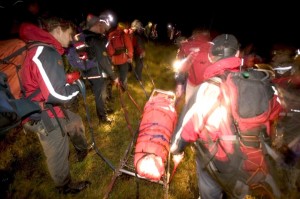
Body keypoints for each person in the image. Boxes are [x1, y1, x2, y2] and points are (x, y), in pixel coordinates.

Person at [170, 34, 282, 198]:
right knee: (238, 191)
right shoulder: (261, 83)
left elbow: (189, 126)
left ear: (210, 56)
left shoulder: (208, 89)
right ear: (238, 54)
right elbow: (276, 111)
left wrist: (176, 149)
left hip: (218, 162)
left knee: (208, 184)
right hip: (251, 160)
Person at [19, 17, 91, 194]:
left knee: (74, 121)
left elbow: (45, 82)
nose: (71, 38)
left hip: (49, 106)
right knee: (57, 148)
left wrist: (65, 80)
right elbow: (55, 94)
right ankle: (64, 186)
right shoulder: (45, 52)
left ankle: (82, 150)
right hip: (43, 114)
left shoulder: (44, 49)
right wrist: (76, 88)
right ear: (58, 30)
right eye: (69, 33)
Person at [66, 14, 119, 124]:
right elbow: (103, 59)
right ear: (98, 25)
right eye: (102, 27)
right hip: (97, 72)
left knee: (99, 95)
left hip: (87, 71)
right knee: (101, 95)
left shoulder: (84, 36)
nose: (103, 30)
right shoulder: (96, 39)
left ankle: (103, 111)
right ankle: (103, 119)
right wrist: (114, 76)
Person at [174, 28, 212, 103]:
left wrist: (179, 84)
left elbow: (181, 68)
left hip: (191, 83)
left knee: (188, 105)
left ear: (194, 35)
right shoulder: (213, 48)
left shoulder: (186, 46)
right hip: (206, 86)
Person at [107, 22, 134, 91]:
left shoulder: (110, 35)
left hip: (114, 60)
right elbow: (129, 47)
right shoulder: (123, 34)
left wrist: (112, 56)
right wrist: (130, 57)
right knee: (123, 75)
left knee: (115, 74)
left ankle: (112, 88)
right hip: (123, 59)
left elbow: (109, 49)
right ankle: (123, 89)